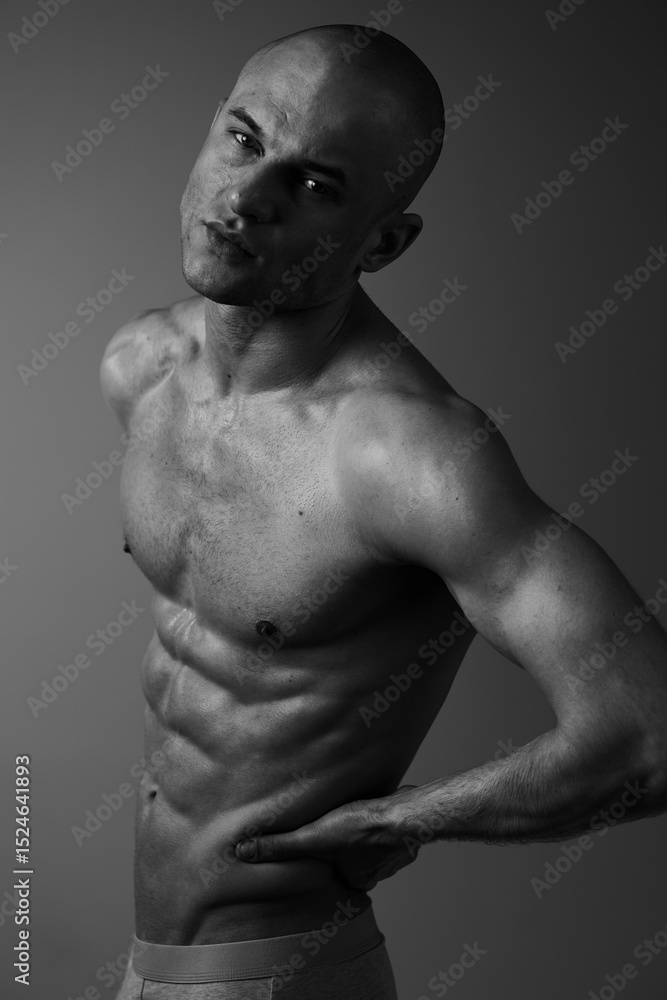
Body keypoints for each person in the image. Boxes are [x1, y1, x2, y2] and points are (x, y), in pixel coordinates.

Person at [100, 23, 667, 1000]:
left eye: (315, 185)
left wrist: (399, 821)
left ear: (384, 242)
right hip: (148, 967)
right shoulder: (139, 368)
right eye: (242, 139)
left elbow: (647, 734)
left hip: (282, 969)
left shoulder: (412, 455)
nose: (246, 199)